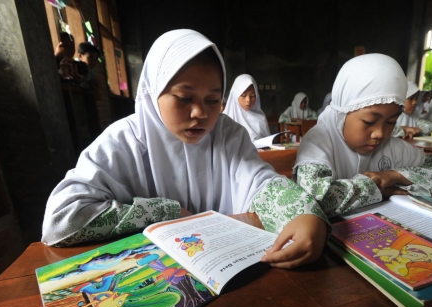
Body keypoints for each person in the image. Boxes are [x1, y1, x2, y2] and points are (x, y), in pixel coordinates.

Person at [41, 29, 329, 269]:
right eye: (184, 97)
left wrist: (305, 214)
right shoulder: (123, 141)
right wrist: (165, 213)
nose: (200, 113)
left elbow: (260, 183)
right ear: (155, 91)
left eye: (213, 100)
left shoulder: (228, 134)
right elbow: (60, 221)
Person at [293, 54, 432, 217]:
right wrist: (380, 188)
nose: (380, 134)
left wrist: (393, 176)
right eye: (369, 121)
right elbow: (316, 198)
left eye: (391, 122)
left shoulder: (391, 146)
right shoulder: (319, 142)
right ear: (342, 113)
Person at [223, 74, 270, 142]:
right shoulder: (225, 120)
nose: (248, 100)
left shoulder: (260, 118)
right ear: (235, 95)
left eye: (253, 95)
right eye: (243, 95)